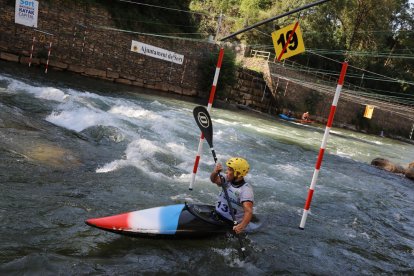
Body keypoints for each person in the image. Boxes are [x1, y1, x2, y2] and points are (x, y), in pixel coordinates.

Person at [210, 157, 254, 234]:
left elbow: (248, 212)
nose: (226, 171)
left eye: (230, 170)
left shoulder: (245, 190)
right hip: (216, 215)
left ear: (238, 174)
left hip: (230, 223)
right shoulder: (227, 179)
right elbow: (214, 180)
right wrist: (215, 172)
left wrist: (241, 226)